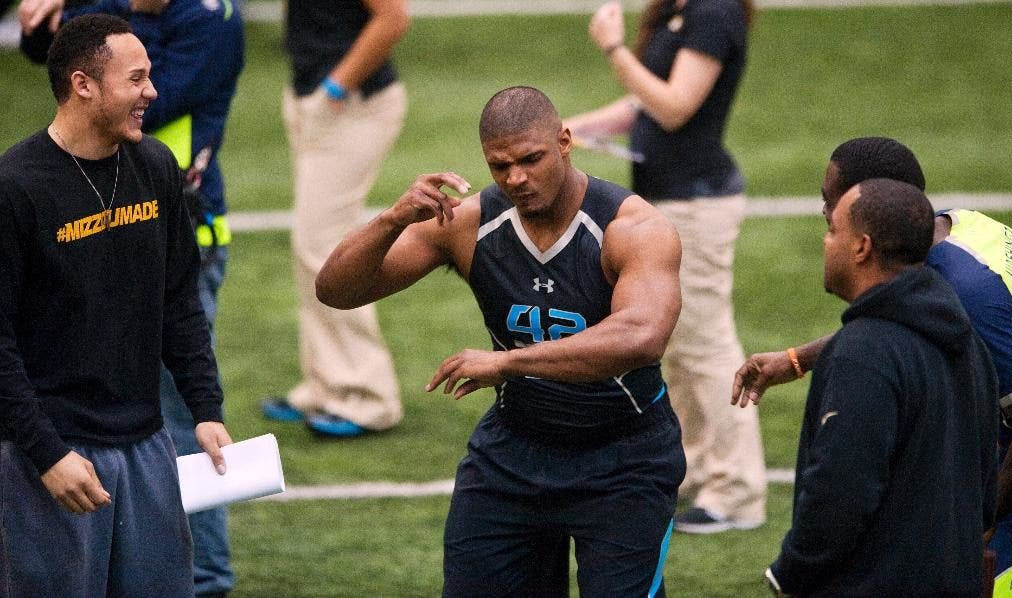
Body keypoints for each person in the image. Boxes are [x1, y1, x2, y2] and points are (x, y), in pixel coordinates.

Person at [315, 86, 686, 596]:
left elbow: (641, 337)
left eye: (531, 160)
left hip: (623, 457)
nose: (517, 179)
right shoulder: (469, 223)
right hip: (514, 452)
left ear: (564, 141)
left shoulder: (633, 228)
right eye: (500, 166)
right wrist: (391, 219)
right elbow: (335, 291)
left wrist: (509, 363)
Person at [0, 13, 232, 597]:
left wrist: (205, 408)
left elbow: (179, 302)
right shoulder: (16, 188)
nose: (152, 93)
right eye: (136, 79)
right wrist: (47, 454)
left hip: (147, 444)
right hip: (53, 454)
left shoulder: (155, 166)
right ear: (84, 85)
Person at [734, 136, 1012, 595]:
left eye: (832, 208)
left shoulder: (969, 297)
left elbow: (843, 488)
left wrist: (977, 527)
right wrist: (797, 360)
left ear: (867, 230)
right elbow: (902, 315)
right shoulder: (958, 233)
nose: (825, 217)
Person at [562, 0, 765, 534]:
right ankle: (698, 472)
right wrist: (567, 129)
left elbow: (675, 106)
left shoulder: (713, 11)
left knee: (703, 344)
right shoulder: (678, 10)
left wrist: (612, 46)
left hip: (697, 205)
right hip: (667, 202)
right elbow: (642, 105)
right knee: (677, 349)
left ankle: (737, 492)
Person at [260, 0, 409, 439]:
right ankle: (325, 385)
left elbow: (394, 18)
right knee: (312, 246)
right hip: (315, 99)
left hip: (352, 104)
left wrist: (334, 90)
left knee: (324, 247)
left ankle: (369, 396)